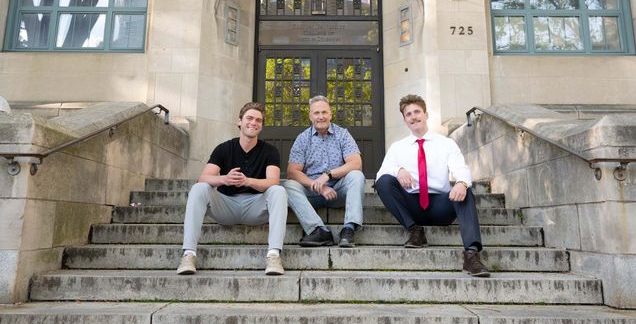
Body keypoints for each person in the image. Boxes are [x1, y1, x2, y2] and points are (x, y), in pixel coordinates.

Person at [375, 94, 490, 277]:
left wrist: (461, 182)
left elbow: (461, 168)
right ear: (405, 120)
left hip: (439, 206)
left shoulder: (445, 144)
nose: (413, 117)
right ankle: (415, 231)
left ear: (426, 114)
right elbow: (380, 174)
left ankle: (471, 255)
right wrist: (398, 170)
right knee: (384, 181)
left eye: (417, 112)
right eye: (408, 114)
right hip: (411, 205)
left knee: (465, 190)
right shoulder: (398, 147)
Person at [177, 101, 287, 276]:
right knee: (199, 188)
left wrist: (248, 181)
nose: (253, 123)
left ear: (262, 126)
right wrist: (225, 179)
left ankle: (273, 255)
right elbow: (203, 178)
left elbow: (273, 181)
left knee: (279, 191)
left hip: (255, 208)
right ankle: (188, 254)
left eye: (258, 120)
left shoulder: (270, 151)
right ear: (239, 121)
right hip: (226, 207)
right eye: (249, 118)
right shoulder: (224, 148)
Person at [283, 95, 365, 247]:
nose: (321, 116)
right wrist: (318, 185)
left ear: (330, 114)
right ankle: (319, 231)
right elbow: (292, 172)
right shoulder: (302, 139)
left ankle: (349, 229)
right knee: (288, 185)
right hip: (313, 192)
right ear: (310, 116)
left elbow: (356, 163)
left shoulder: (343, 134)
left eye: (324, 112)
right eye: (316, 113)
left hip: (338, 190)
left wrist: (328, 175)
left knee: (356, 175)